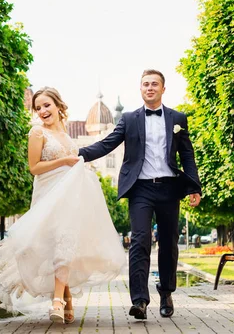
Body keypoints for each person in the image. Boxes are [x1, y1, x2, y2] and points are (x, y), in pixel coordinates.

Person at [0, 87, 126, 324]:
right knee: (50, 247)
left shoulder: (66, 134)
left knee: (66, 243)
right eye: (38, 107)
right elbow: (34, 167)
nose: (43, 111)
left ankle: (58, 301)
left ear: (57, 106)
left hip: (70, 197)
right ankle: (65, 298)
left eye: (47, 105)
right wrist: (64, 160)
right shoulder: (36, 132)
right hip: (48, 195)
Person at [79, 69, 202, 319]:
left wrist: (194, 186)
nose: (149, 88)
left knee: (168, 244)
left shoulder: (178, 118)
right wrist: (79, 154)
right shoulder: (129, 119)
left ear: (163, 89)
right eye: (145, 84)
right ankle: (140, 301)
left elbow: (187, 154)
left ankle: (166, 292)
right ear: (140, 88)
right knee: (140, 241)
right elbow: (107, 144)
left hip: (169, 188)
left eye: (154, 84)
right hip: (141, 189)